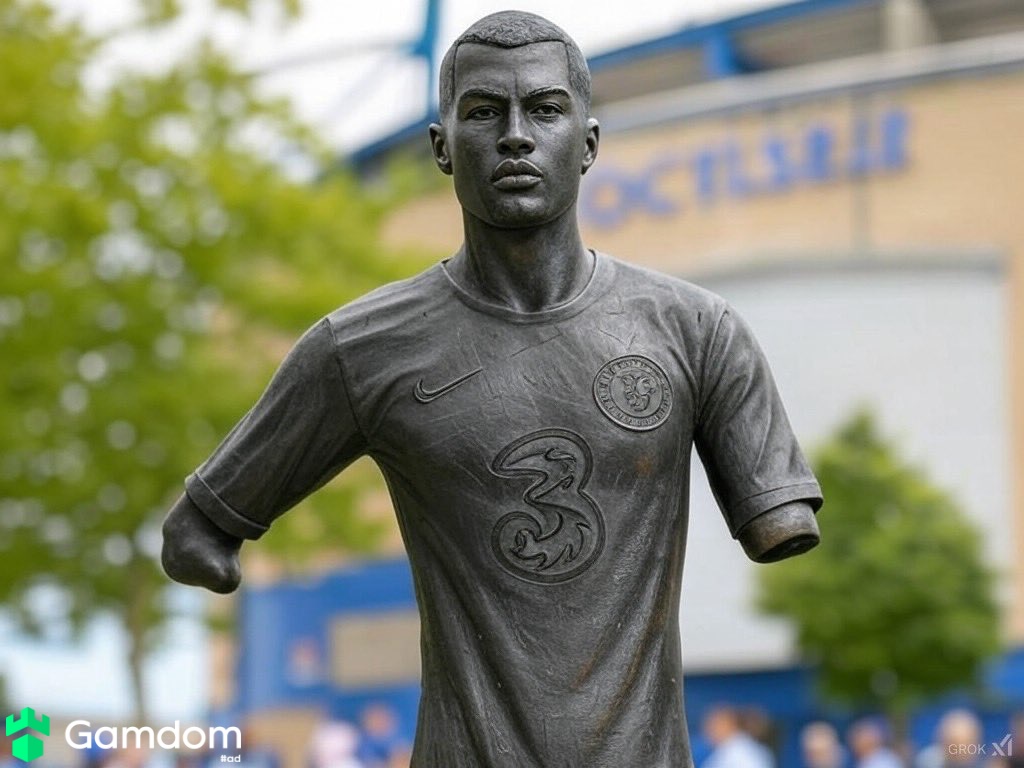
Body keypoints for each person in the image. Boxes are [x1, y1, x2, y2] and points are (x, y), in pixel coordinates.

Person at [161, 11, 823, 767]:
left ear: (589, 143)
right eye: (483, 112)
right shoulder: (362, 350)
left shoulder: (696, 332)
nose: (515, 136)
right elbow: (195, 537)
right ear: (441, 148)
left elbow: (777, 518)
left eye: (544, 109)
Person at [701, 706, 775, 768]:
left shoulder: (739, 751)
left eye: (714, 725)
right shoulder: (726, 750)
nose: (708, 730)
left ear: (729, 725)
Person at [915, 709, 987, 768]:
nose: (960, 751)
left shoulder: (984, 763)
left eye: (966, 745)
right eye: (954, 746)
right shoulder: (928, 762)